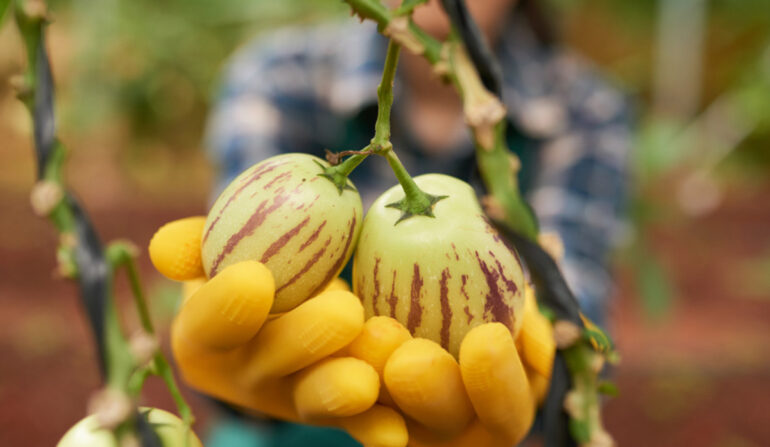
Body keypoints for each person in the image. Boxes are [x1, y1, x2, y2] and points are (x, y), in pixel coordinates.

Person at [203, 0, 632, 445]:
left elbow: (575, 286)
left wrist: (552, 372)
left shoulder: (583, 109)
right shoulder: (282, 75)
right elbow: (248, 243)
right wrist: (241, 373)